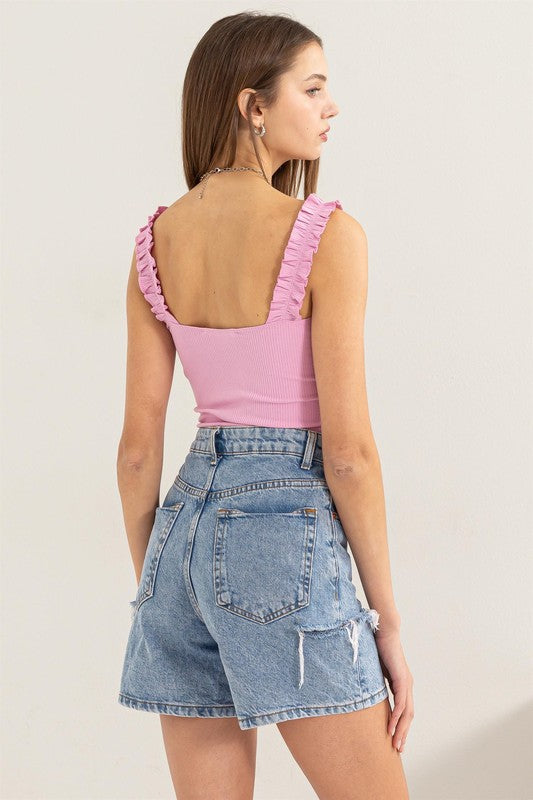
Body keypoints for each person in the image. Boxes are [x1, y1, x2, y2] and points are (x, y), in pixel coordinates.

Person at [117, 11, 413, 799]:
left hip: (176, 534)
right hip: (281, 529)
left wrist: (158, 586)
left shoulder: (156, 241)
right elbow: (348, 453)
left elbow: (137, 451)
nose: (330, 107)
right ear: (252, 105)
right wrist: (387, 624)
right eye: (312, 88)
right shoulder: (323, 233)